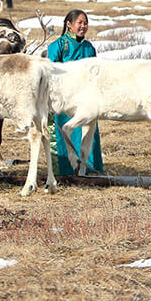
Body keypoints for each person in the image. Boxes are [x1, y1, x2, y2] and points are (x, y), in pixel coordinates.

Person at [44, 9, 104, 177]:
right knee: (67, 132)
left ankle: (90, 169)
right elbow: (51, 71)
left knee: (88, 132)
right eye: (80, 23)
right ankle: (66, 171)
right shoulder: (58, 46)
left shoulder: (89, 47)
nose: (83, 26)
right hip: (65, 100)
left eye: (85, 23)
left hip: (86, 99)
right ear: (69, 25)